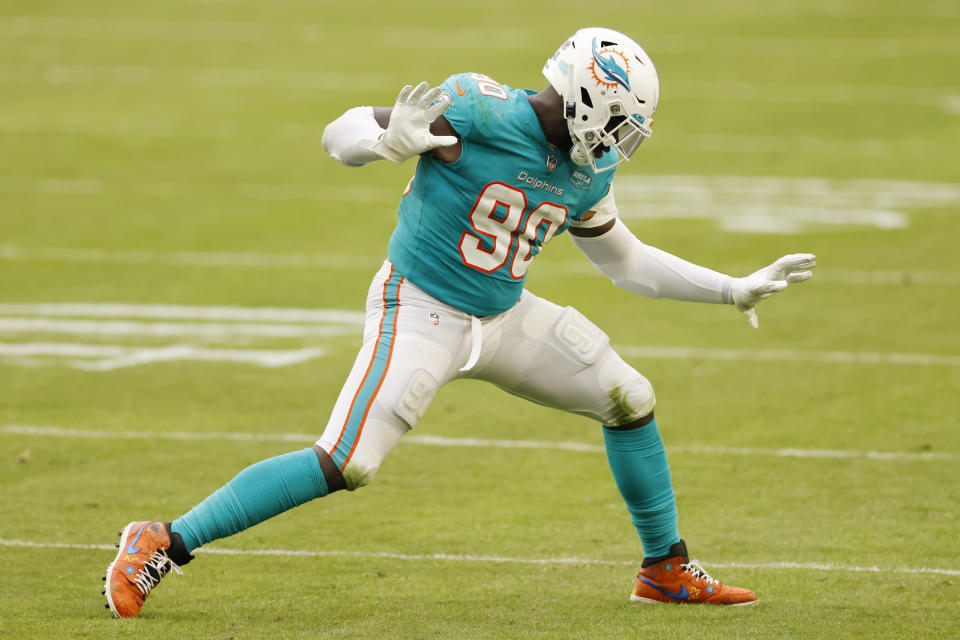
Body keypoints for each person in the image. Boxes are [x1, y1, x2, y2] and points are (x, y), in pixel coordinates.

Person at [104, 27, 816, 617]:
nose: (620, 145)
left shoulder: (584, 171)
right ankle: (161, 541)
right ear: (587, 100)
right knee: (348, 462)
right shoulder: (477, 108)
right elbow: (339, 132)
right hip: (419, 308)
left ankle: (665, 569)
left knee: (629, 396)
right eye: (619, 125)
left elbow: (626, 264)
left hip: (502, 316)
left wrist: (732, 290)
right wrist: (387, 140)